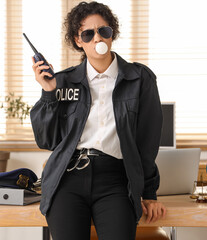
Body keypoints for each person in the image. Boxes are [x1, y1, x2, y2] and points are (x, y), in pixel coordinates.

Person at [30, 1, 166, 240]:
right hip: (68, 179)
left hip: (116, 180)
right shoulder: (62, 82)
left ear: (112, 33)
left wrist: (149, 193)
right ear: (77, 40)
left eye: (104, 31)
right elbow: (47, 140)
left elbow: (147, 141)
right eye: (88, 33)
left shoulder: (140, 78)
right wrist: (49, 93)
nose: (97, 38)